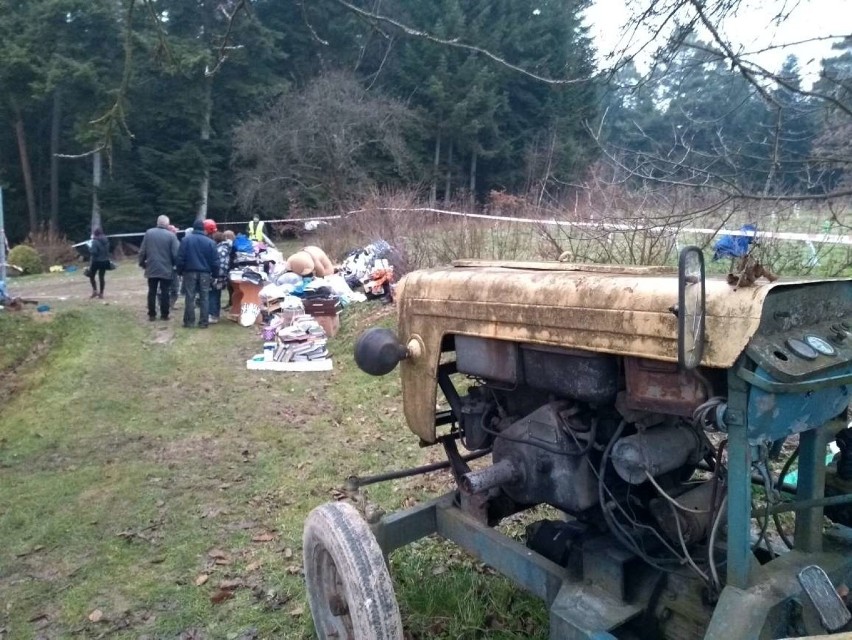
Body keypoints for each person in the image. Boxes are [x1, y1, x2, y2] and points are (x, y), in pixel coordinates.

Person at [177, 219, 219, 328]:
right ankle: (204, 322)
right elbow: (215, 261)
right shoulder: (210, 242)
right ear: (204, 228)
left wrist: (180, 271)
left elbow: (180, 258)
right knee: (205, 297)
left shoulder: (185, 240)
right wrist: (215, 275)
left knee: (190, 297)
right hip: (205, 273)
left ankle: (189, 322)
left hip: (189, 272)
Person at [138, 215, 180, 321]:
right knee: (165, 291)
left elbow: (142, 250)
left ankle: (152, 314)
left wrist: (142, 263)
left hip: (151, 267)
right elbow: (175, 254)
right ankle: (164, 314)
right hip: (166, 268)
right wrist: (176, 266)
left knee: (152, 291)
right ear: (167, 224)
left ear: (157, 222)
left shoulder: (149, 233)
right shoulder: (171, 236)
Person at [208, 230, 234, 324]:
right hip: (221, 275)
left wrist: (214, 275)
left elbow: (219, 264)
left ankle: (213, 315)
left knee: (212, 295)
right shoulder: (225, 248)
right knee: (216, 295)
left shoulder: (220, 249)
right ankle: (215, 314)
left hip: (218, 275)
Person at [88, 228, 111, 299]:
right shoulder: (106, 241)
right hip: (105, 261)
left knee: (91, 276)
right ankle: (101, 293)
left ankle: (95, 290)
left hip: (96, 261)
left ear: (95, 234)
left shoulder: (95, 241)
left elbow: (94, 252)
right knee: (101, 277)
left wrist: (89, 247)